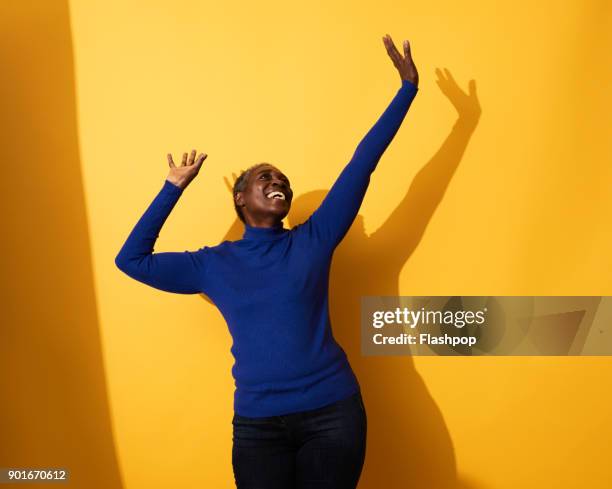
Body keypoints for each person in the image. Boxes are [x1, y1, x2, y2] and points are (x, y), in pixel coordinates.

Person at [115, 33, 419, 489]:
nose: (278, 181)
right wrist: (173, 187)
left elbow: (363, 162)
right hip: (258, 428)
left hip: (332, 415)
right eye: (264, 177)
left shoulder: (313, 240)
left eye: (282, 178)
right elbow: (131, 259)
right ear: (240, 198)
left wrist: (407, 91)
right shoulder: (211, 264)